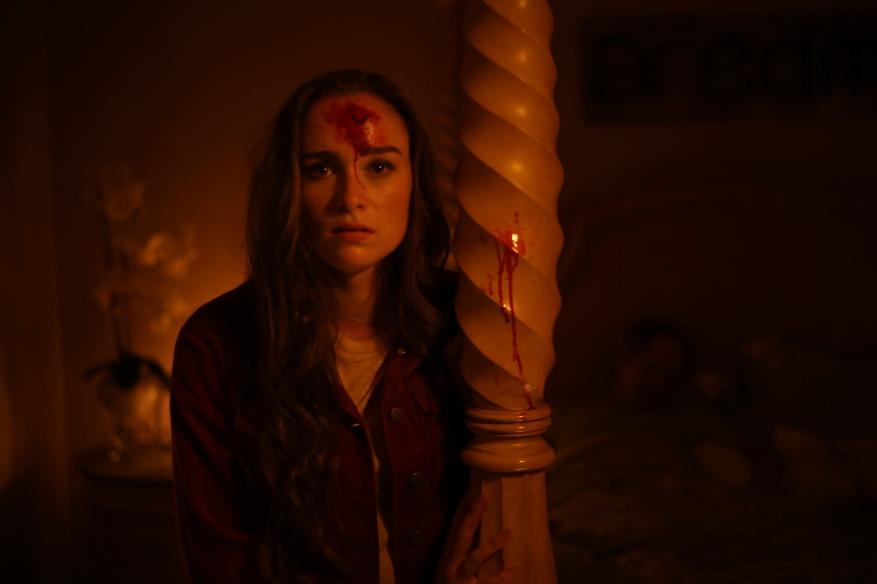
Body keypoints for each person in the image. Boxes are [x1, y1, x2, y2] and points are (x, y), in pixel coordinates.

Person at [170, 70, 515, 584]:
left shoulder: (469, 317)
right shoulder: (216, 342)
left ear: (414, 183)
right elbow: (219, 561)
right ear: (288, 188)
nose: (350, 197)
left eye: (379, 166)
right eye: (320, 169)